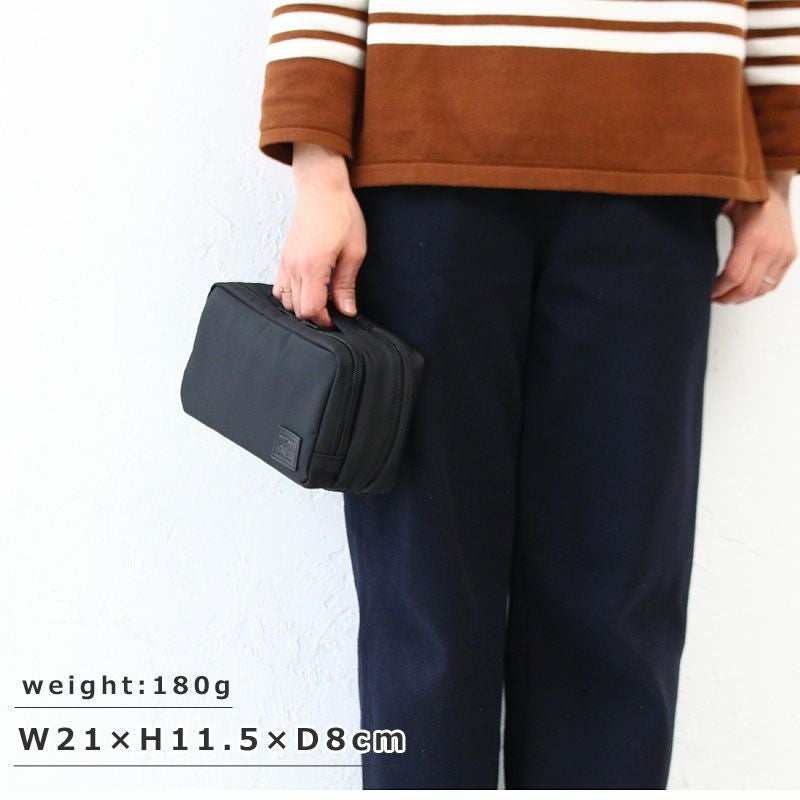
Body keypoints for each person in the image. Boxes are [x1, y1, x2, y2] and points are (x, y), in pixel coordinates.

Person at [256, 0, 798, 789]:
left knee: (619, 593)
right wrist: (318, 171)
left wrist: (776, 173)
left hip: (664, 159)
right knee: (426, 590)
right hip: (425, 157)